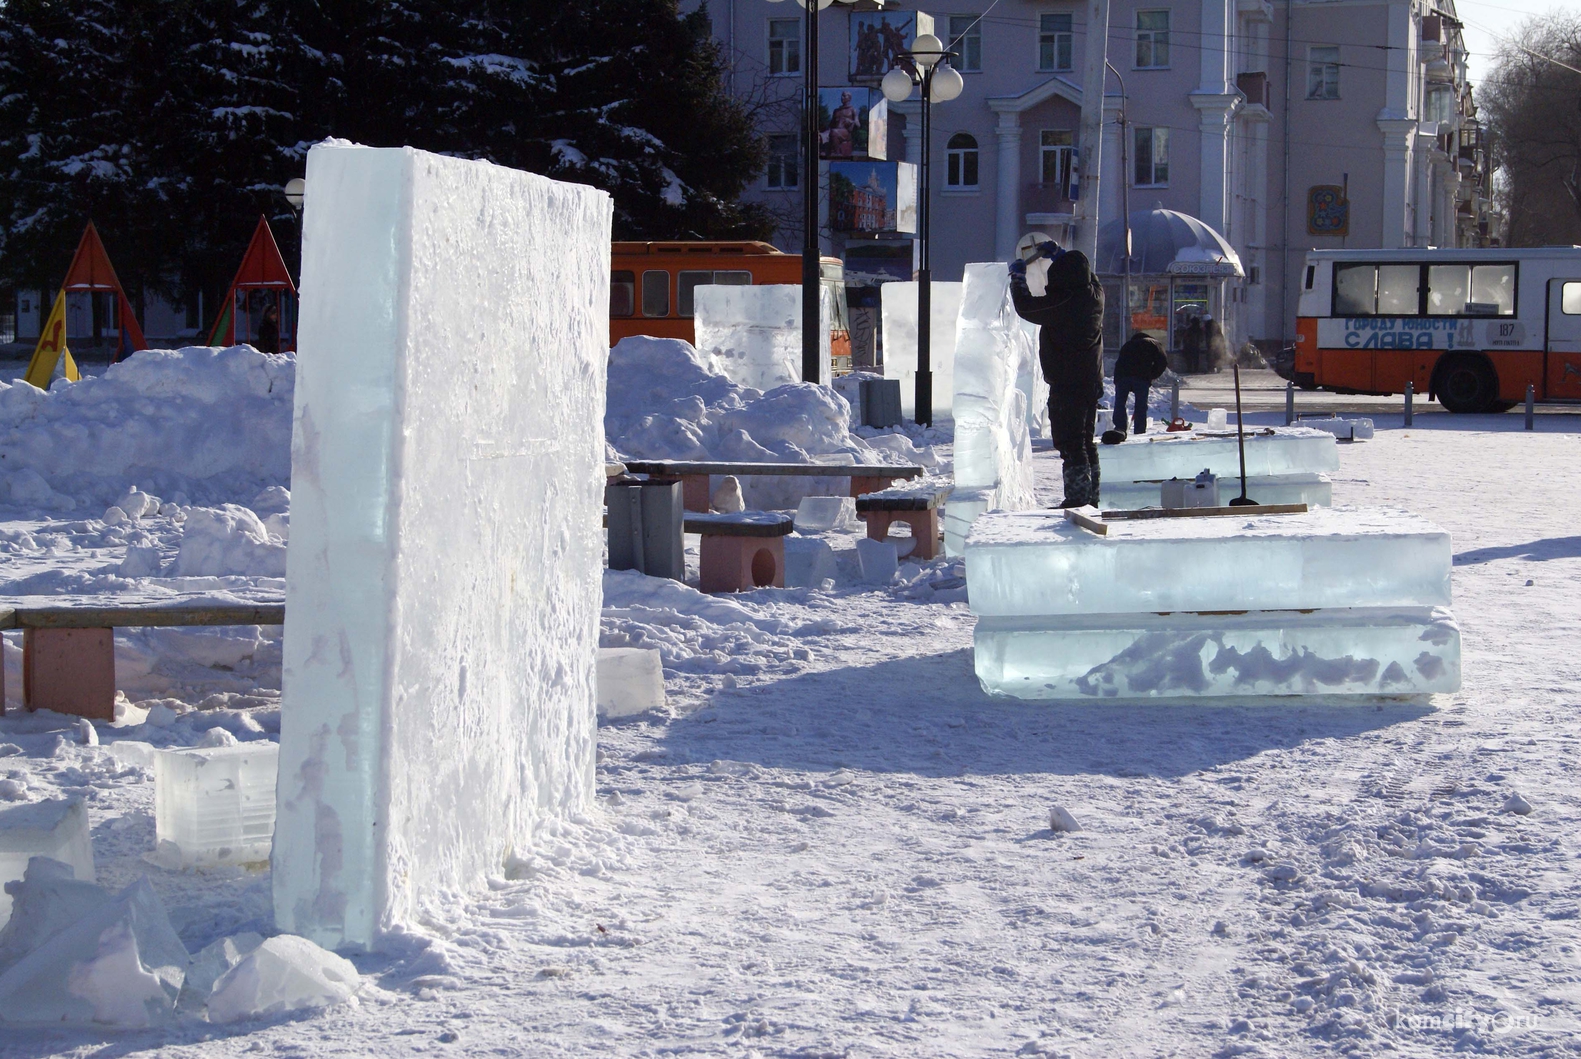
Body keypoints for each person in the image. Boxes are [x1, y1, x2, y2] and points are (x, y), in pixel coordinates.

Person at [1010, 240, 1105, 509]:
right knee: (1086, 441)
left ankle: (1077, 499)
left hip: (1068, 382)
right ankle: (1090, 496)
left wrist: (1019, 278)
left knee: (1071, 443)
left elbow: (1027, 307)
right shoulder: (1094, 294)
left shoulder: (1065, 302)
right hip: (1089, 380)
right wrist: (1063, 256)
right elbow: (1089, 273)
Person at [1111, 331, 1168, 436]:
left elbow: (1119, 363)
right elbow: (1162, 362)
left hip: (1122, 376)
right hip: (1141, 377)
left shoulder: (1128, 344)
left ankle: (1120, 428)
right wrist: (1152, 375)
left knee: (1120, 403)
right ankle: (1139, 430)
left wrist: (1117, 380)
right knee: (1140, 404)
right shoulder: (1154, 343)